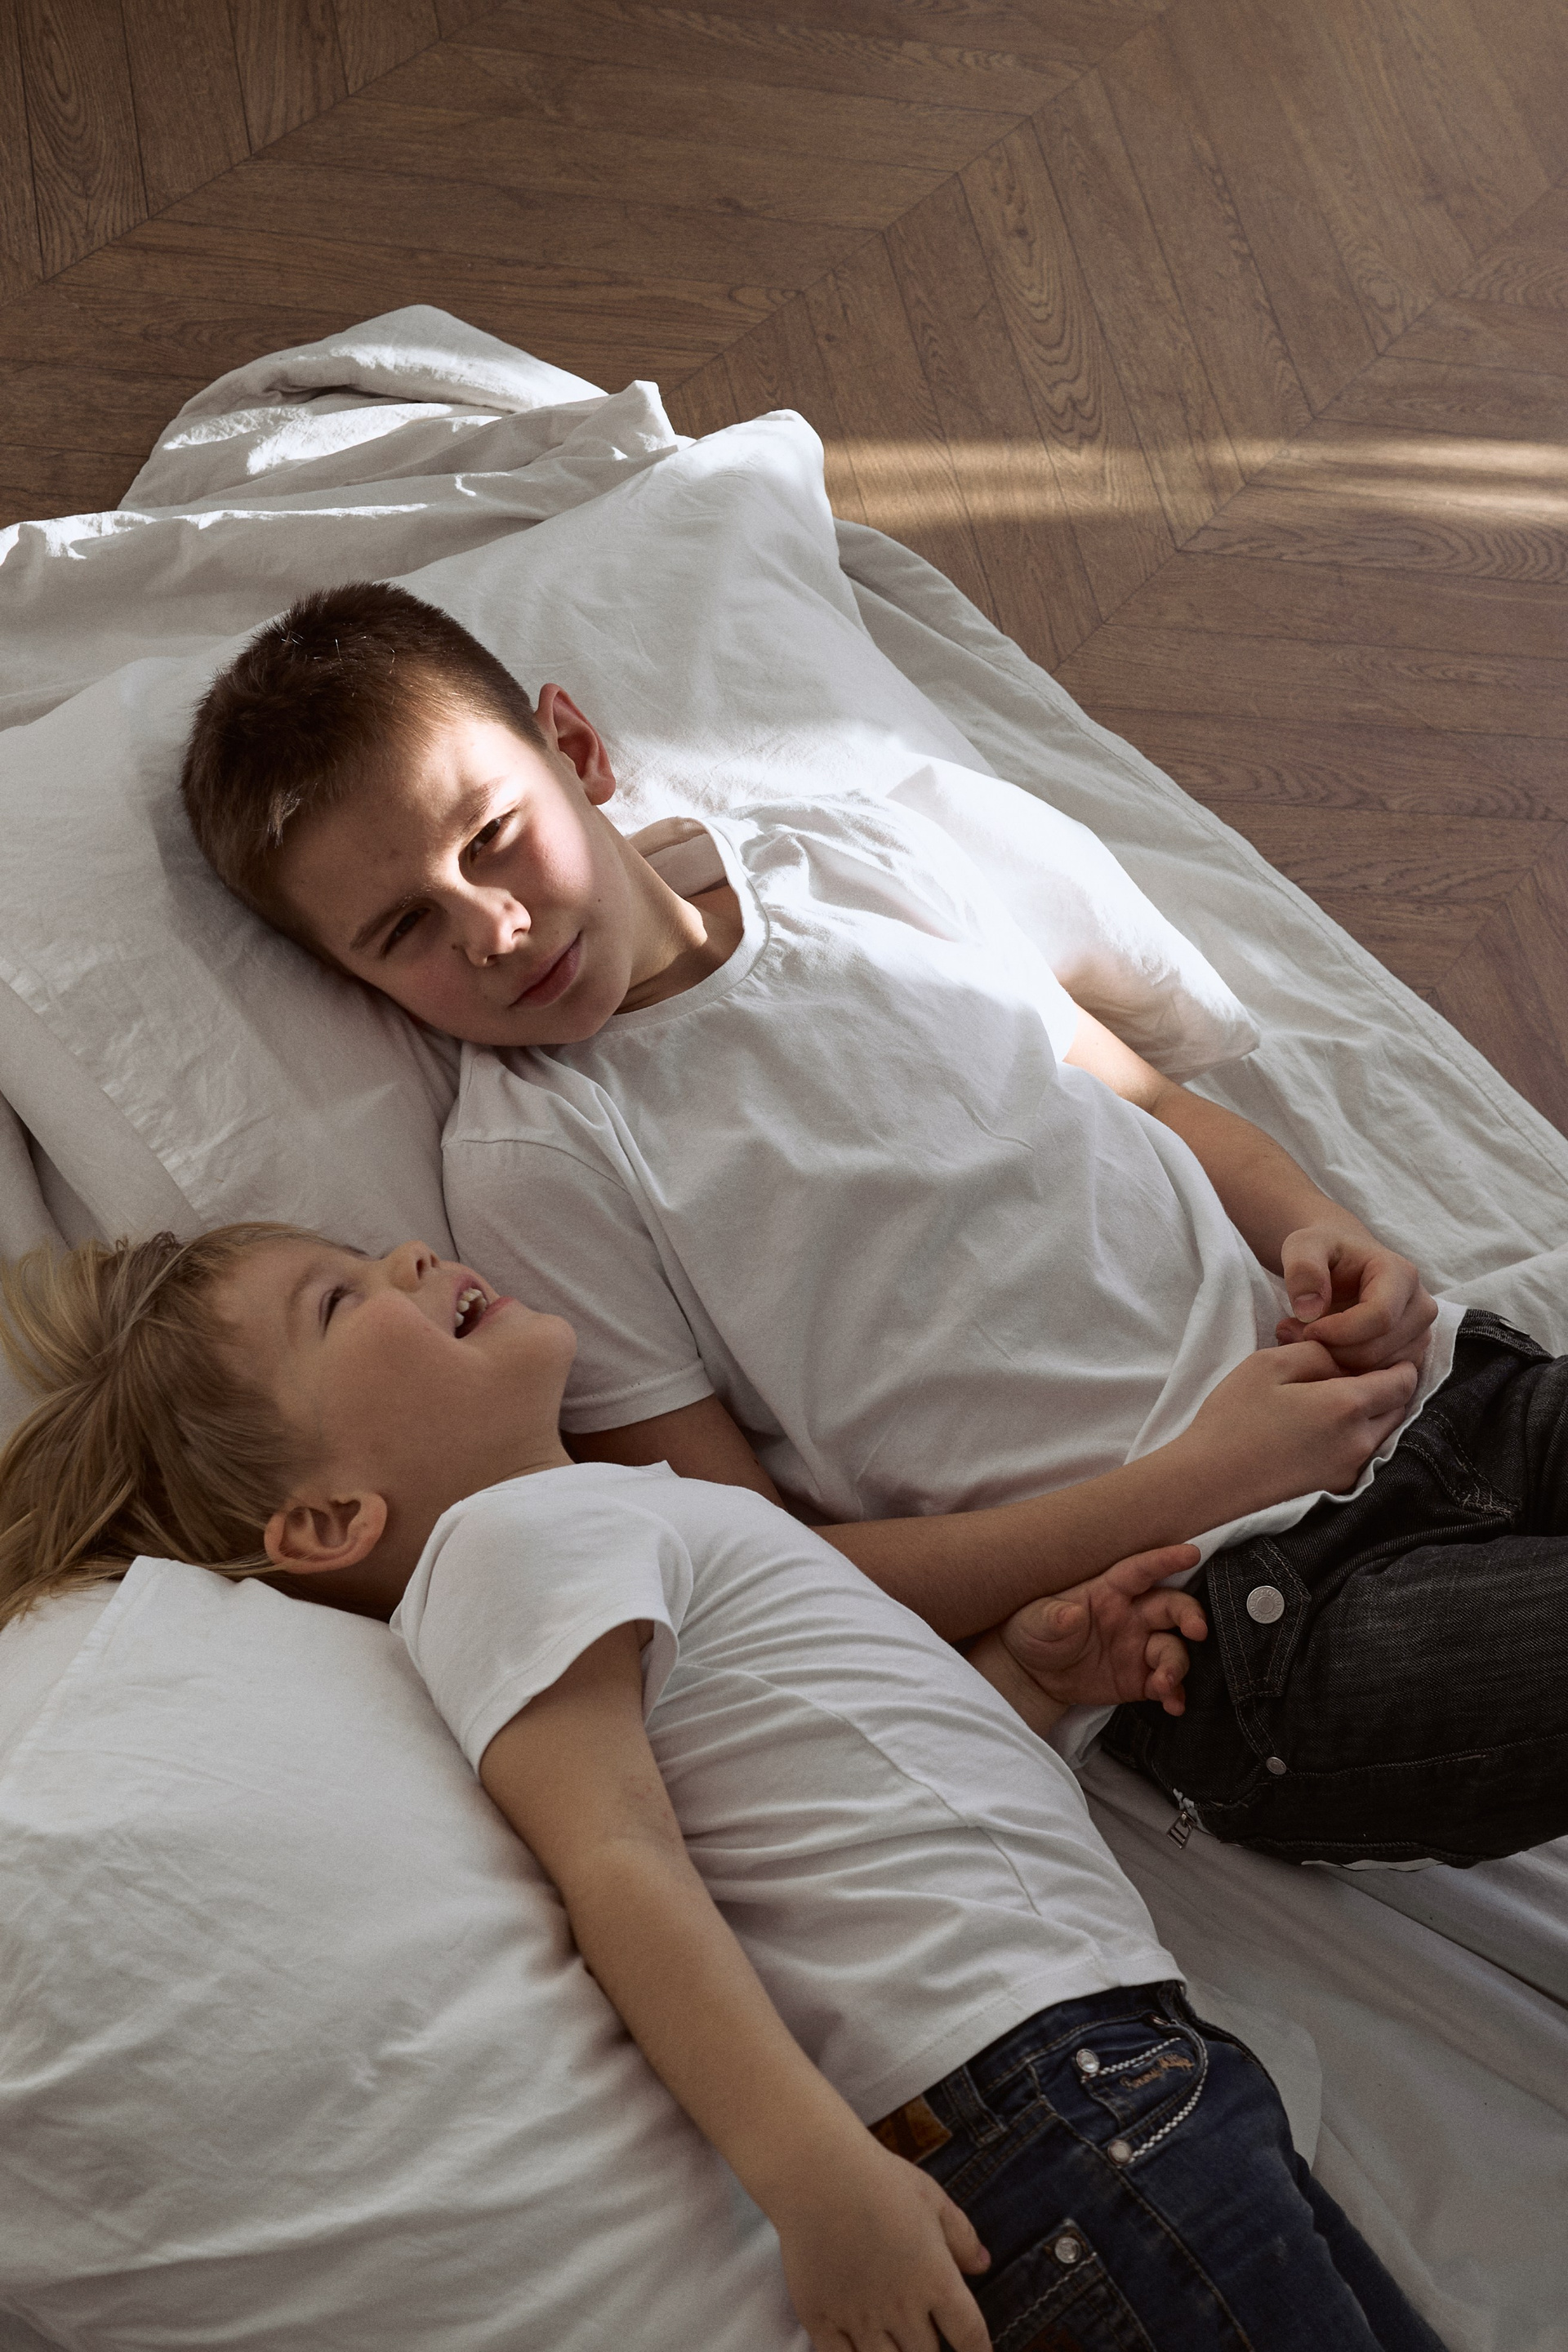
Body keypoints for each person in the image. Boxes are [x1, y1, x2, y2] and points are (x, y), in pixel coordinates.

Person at [178, 582, 1566, 1866]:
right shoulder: (540, 1163)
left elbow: (1143, 1098)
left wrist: (1322, 1229)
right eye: (404, 930)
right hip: (1229, 1616)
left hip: (1442, 1396)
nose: (490, 927)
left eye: (492, 836)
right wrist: (1205, 1477)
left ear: (577, 750)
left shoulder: (847, 859)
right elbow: (770, 1567)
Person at [0, 1223, 1447, 2352]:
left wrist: (1025, 1677)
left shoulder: (603, 1517)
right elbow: (618, 1861)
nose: (409, 1255)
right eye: (339, 1300)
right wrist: (813, 2181)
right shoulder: (503, 1551)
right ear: (327, 1519)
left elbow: (817, 1792)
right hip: (1036, 2108)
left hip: (1109, 2075)